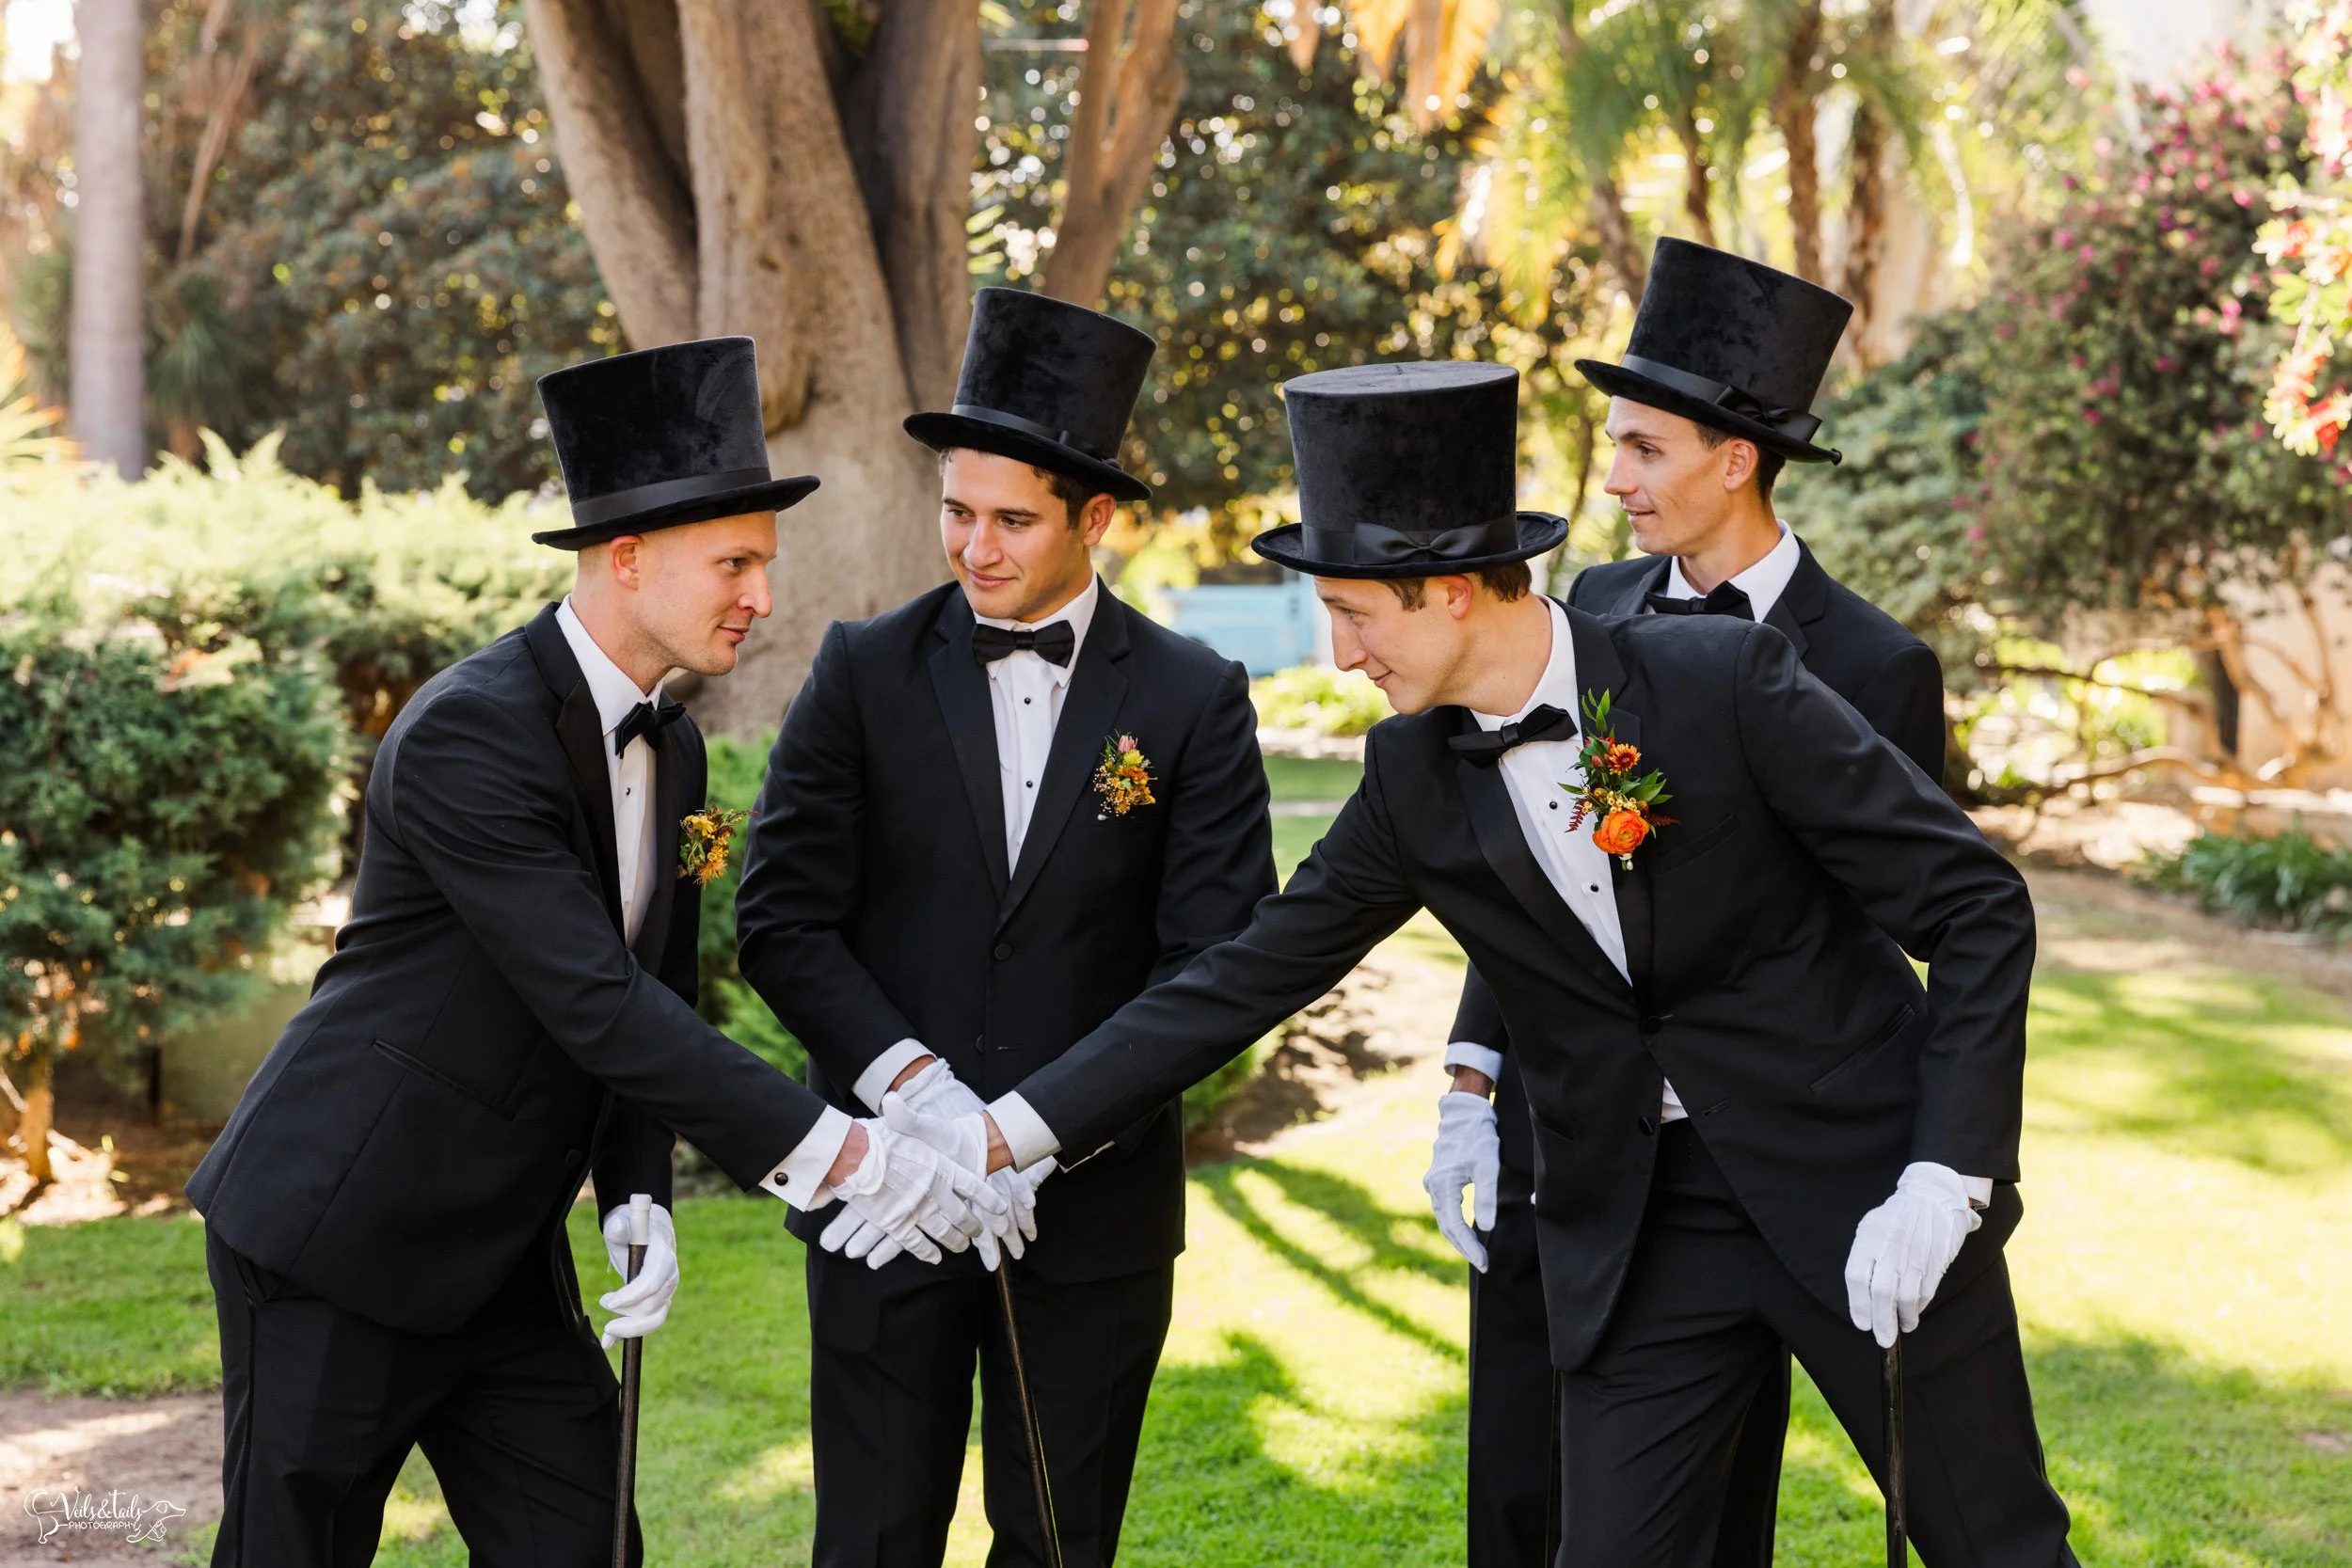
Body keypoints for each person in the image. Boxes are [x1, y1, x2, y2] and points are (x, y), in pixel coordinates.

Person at [912, 357, 2079, 1564]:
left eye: (1358, 610)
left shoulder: (1722, 680)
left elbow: (1977, 906)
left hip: (1862, 1180)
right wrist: (1006, 1130)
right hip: (1641, 1231)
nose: (1344, 650)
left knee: (1993, 1542)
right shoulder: (1411, 776)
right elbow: (1247, 972)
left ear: (1451, 591)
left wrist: (1947, 1175)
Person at [186, 337, 999, 1568]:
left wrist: (633, 1186)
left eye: (762, 567)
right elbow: (594, 997)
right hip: (338, 1232)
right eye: (735, 563)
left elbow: (655, 978)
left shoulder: (671, 749)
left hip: (503, 1256)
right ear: (626, 559)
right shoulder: (471, 730)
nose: (762, 598)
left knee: (586, 1547)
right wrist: (844, 1154)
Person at [1422, 238, 1949, 1568]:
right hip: (1577, 1132)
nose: (1614, 479)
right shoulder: (1586, 609)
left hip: (1773, 1148)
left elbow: (1880, 939)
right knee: (1535, 1476)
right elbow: (1528, 861)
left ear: (1735, 458)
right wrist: (1473, 1081)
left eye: (1645, 449)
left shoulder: (1877, 666)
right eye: (1614, 444)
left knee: (1718, 1499)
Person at [734, 288, 1275, 1568]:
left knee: (1060, 1538)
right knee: (870, 1537)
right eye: (957, 510)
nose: (974, 546)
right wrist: (913, 1092)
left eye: (1012, 519)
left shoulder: (1196, 698)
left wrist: (1042, 1135)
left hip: (1088, 1211)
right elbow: (782, 919)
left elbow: (1213, 963)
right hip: (888, 1194)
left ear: (1094, 517)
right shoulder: (859, 668)